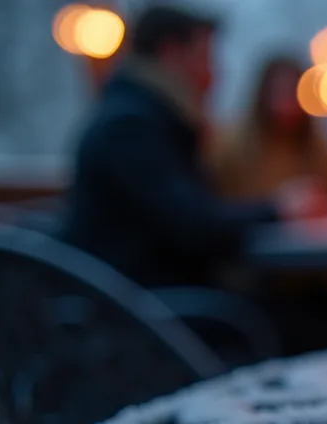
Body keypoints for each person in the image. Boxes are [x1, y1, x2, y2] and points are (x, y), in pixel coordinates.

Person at [64, 5, 281, 289]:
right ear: (170, 53)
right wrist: (276, 209)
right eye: (205, 57)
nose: (214, 74)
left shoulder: (143, 116)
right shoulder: (132, 128)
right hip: (149, 312)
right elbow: (193, 226)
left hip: (153, 303)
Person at [210, 56, 327, 210]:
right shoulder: (231, 149)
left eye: (292, 92)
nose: (286, 103)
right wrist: (275, 205)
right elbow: (217, 206)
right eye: (278, 92)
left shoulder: (324, 152)